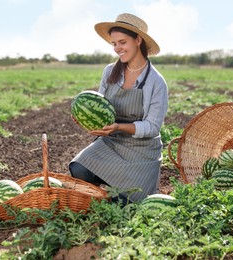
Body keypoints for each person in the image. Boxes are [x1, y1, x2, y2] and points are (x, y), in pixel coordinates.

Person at [69, 13, 168, 204]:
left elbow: (152, 127)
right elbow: (101, 107)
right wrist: (85, 120)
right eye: (114, 44)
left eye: (122, 42)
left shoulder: (156, 82)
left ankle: (117, 192)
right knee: (78, 169)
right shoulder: (110, 71)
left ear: (138, 40)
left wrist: (119, 127)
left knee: (127, 203)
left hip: (141, 151)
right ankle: (107, 188)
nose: (117, 48)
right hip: (112, 143)